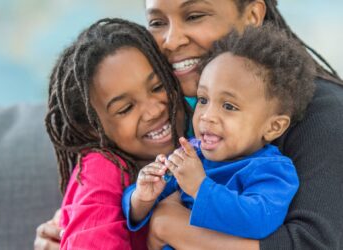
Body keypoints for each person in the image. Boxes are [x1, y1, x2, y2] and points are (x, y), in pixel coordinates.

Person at [35, 0, 343, 249]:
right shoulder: (187, 113)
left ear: (251, 15)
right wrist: (79, 223)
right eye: (157, 22)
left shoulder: (324, 114)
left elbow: (314, 242)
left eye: (194, 15)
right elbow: (113, 208)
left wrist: (172, 228)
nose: (171, 40)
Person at [124, 23, 315, 248]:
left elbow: (258, 221)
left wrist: (199, 187)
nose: (207, 116)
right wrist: (142, 196)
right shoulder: (192, 154)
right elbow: (142, 203)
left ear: (273, 127)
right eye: (203, 100)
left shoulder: (272, 171)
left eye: (229, 106)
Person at [41, 17, 190, 250]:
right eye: (125, 109)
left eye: (158, 87)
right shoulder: (101, 168)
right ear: (91, 127)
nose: (153, 111)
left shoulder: (202, 134)